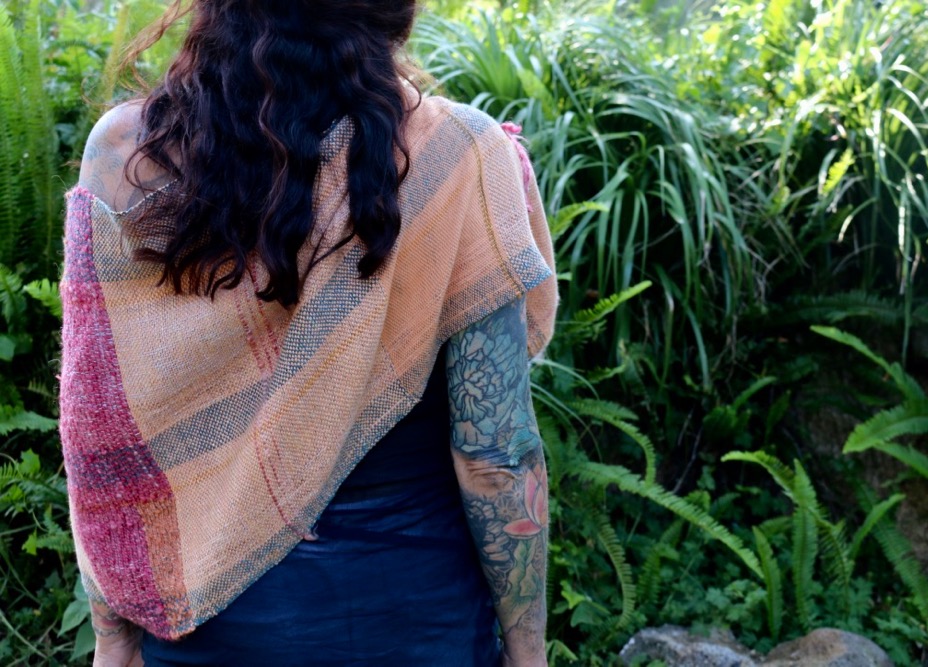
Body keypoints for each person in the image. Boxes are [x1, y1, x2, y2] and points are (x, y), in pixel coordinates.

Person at [58, 1, 557, 665]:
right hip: (414, 617)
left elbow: (99, 437)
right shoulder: (457, 155)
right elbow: (495, 453)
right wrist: (528, 651)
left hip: (210, 630)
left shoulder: (125, 152)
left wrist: (114, 638)